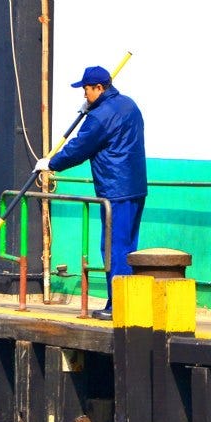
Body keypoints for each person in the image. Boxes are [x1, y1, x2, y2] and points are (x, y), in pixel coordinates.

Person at [35, 65, 147, 321]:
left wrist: (50, 164)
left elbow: (78, 148)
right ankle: (127, 301)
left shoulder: (99, 117)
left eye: (86, 90)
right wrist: (92, 110)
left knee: (113, 248)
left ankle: (118, 305)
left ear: (99, 87)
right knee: (129, 247)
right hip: (136, 187)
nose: (84, 95)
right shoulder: (129, 105)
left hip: (115, 191)